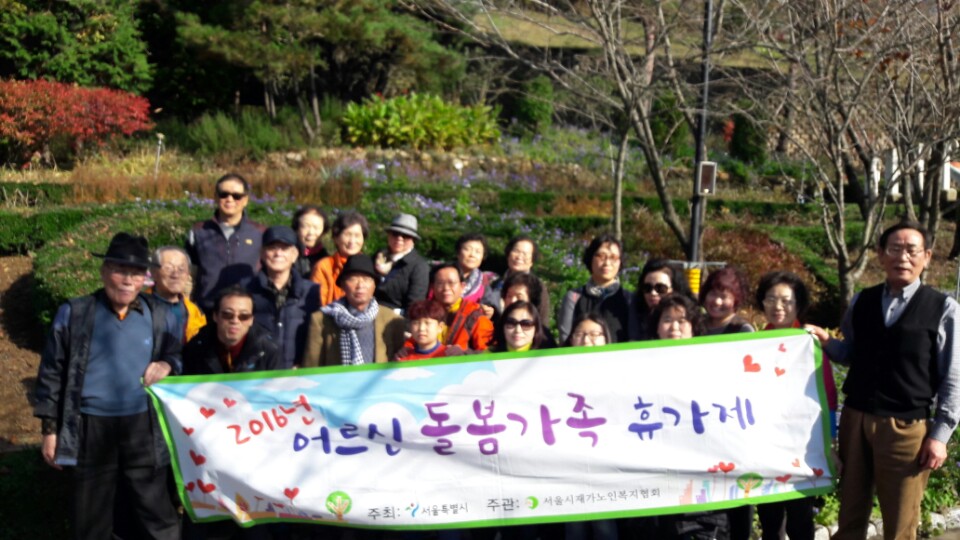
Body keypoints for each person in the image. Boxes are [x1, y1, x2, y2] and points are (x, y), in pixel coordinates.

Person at [806, 221, 960, 540]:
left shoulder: (943, 309)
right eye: (894, 249)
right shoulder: (863, 300)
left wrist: (940, 435)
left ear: (927, 256)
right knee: (849, 516)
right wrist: (826, 342)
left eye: (912, 250)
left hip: (906, 427)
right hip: (855, 419)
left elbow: (953, 377)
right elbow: (852, 353)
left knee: (900, 524)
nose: (902, 257)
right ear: (880, 254)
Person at [33, 232, 181, 539]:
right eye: (120, 270)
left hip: (143, 425)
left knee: (154, 511)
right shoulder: (75, 313)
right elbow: (52, 372)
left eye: (136, 273)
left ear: (145, 279)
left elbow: (177, 354)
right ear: (103, 272)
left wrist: (168, 363)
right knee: (91, 517)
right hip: (91, 426)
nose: (128, 280)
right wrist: (50, 430)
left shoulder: (160, 314)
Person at [181, 286, 281, 540]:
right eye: (227, 314)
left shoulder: (269, 350)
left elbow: (277, 402)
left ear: (252, 319)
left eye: (243, 316)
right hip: (209, 447)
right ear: (215, 316)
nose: (235, 321)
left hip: (253, 447)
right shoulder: (196, 348)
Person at [754, 271, 835, 540]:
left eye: (786, 301)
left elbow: (828, 396)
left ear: (798, 305)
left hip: (802, 445)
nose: (778, 306)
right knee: (770, 521)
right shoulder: (752, 345)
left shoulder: (808, 343)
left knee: (800, 521)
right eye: (771, 299)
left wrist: (829, 444)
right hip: (765, 445)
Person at [651, 294, 732, 540]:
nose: (674, 327)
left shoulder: (711, 364)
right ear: (657, 327)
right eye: (667, 320)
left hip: (703, 481)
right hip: (658, 477)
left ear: (694, 327)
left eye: (682, 320)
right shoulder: (639, 365)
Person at [303, 254, 406, 366]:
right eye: (353, 279)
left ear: (374, 285)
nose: (360, 285)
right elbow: (312, 365)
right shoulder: (321, 319)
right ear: (343, 285)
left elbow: (400, 362)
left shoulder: (392, 320)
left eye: (366, 279)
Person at [186, 172, 265, 313]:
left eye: (236, 196)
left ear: (245, 200)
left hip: (245, 313)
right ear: (216, 197)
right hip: (207, 310)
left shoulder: (260, 233)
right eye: (224, 194)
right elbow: (190, 274)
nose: (230, 199)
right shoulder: (199, 231)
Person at [244, 225, 320, 369]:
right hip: (257, 374)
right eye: (272, 248)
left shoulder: (312, 292)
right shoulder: (246, 290)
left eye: (284, 248)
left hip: (298, 374)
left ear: (295, 255)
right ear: (262, 253)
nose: (278, 253)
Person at [558, 233, 636, 343]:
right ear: (590, 258)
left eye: (613, 257)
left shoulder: (629, 299)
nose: (607, 263)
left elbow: (634, 339)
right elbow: (565, 340)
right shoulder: (574, 297)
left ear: (620, 262)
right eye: (601, 256)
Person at [481, 235, 550, 320]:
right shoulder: (494, 281)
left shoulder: (537, 286)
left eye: (525, 254)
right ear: (508, 254)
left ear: (532, 261)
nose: (519, 257)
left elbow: (542, 320)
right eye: (516, 251)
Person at [430, 262, 495, 352]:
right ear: (432, 287)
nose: (446, 288)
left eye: (451, 283)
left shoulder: (475, 315)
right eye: (440, 283)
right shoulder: (425, 312)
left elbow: (488, 352)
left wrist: (464, 354)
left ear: (462, 286)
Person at [149, 245, 207, 343]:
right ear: (153, 272)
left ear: (188, 274)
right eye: (168, 268)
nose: (175, 274)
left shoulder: (195, 313)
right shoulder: (138, 306)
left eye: (181, 269)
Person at [374, 213, 430, 314]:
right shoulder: (377, 257)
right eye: (395, 233)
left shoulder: (419, 266)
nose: (399, 238)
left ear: (413, 240)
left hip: (396, 319)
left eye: (406, 236)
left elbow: (414, 304)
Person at [311, 211, 368, 306]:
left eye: (357, 235)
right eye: (347, 235)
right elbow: (318, 302)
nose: (352, 241)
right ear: (336, 238)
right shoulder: (324, 267)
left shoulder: (369, 266)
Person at [634, 258, 693, 340]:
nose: (653, 293)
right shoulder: (631, 316)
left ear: (674, 288)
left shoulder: (691, 316)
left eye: (661, 288)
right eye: (647, 288)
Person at [394, 299, 466, 361]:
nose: (421, 328)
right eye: (416, 323)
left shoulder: (450, 355)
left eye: (427, 323)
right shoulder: (403, 358)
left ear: (440, 327)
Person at [700, 266, 755, 335]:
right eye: (713, 294)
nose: (717, 301)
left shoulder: (743, 330)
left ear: (736, 300)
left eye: (724, 297)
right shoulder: (695, 324)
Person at [455, 232, 498, 305]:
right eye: (467, 249)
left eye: (478, 252)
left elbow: (488, 305)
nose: (472, 255)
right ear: (458, 253)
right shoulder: (443, 273)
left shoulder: (483, 282)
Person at [292, 204, 329, 278]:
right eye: (305, 226)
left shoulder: (327, 260)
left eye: (316, 227)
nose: (311, 233)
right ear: (297, 229)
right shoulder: (288, 257)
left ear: (324, 232)